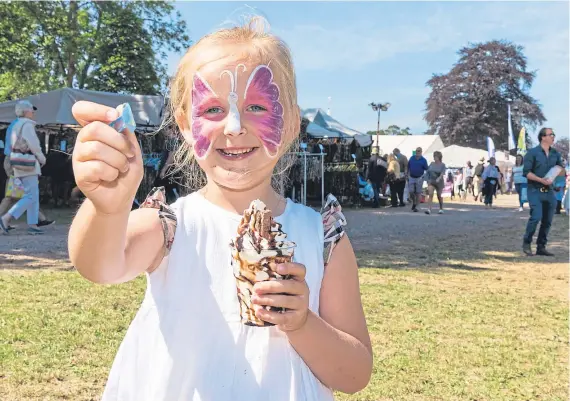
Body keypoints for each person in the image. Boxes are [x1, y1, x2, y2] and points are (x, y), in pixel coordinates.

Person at [67, 19, 372, 400]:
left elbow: (355, 374)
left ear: (291, 122)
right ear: (185, 125)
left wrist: (302, 322)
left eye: (257, 105)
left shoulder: (322, 238)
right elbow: (100, 266)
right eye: (211, 109)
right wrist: (107, 208)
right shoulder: (170, 226)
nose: (233, 126)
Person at [0, 103, 54, 229]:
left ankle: (33, 224)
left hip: (16, 160)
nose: (33, 113)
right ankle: (6, 218)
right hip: (27, 162)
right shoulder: (27, 125)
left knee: (29, 194)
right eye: (31, 110)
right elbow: (33, 144)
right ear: (25, 112)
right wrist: (41, 158)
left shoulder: (16, 125)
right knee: (29, 195)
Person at [522, 128, 565, 256]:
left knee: (547, 220)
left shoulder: (556, 154)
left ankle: (541, 247)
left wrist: (559, 173)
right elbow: (526, 172)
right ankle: (527, 243)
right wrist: (540, 179)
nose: (553, 137)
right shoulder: (532, 153)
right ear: (543, 137)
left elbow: (561, 171)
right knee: (536, 217)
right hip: (534, 189)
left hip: (549, 191)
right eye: (551, 134)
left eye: (553, 134)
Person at [407, 146, 428, 212]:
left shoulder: (423, 160)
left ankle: (417, 207)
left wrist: (424, 176)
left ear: (421, 152)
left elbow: (427, 169)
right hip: (411, 177)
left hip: (419, 177)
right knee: (411, 191)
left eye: (419, 151)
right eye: (416, 151)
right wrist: (406, 174)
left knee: (418, 192)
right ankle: (414, 202)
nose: (417, 152)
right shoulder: (412, 158)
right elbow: (408, 166)